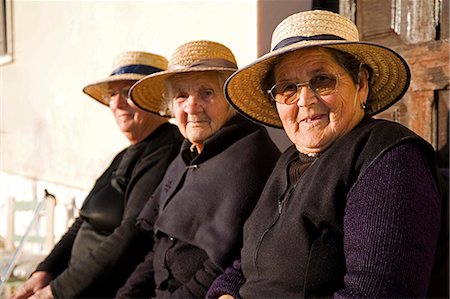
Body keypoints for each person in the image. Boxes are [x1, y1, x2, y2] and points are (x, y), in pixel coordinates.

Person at [206, 10, 448, 298]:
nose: (305, 100)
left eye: (321, 80)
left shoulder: (390, 159)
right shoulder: (290, 160)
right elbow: (247, 263)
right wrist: (225, 294)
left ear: (361, 84)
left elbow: (376, 292)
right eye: (288, 89)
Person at [9, 51, 184, 299]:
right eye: (113, 94)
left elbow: (131, 236)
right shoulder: (125, 154)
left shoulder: (166, 151)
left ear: (154, 98)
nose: (118, 103)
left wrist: (56, 292)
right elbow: (82, 221)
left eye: (128, 92)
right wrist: (45, 271)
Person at [115, 40, 281, 298]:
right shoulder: (188, 155)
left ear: (229, 98)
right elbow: (159, 246)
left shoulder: (251, 157)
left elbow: (223, 263)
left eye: (206, 92)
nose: (192, 107)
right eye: (181, 95)